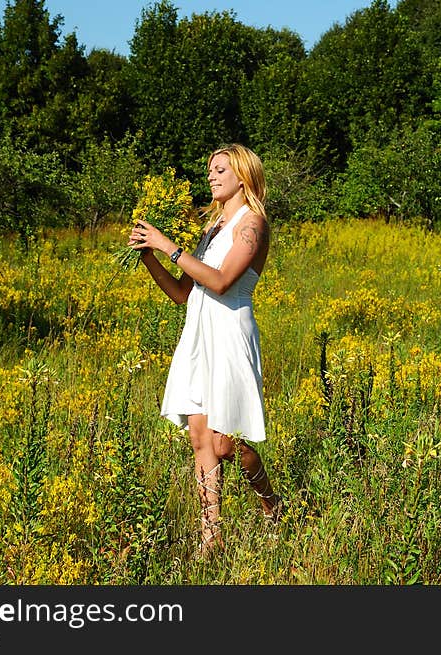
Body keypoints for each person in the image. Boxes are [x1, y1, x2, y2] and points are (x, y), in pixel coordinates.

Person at [128, 143, 282, 557]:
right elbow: (183, 292)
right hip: (198, 332)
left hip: (230, 333)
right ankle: (210, 539)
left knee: (227, 442)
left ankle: (273, 506)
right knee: (200, 437)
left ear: (243, 177)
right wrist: (149, 256)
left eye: (219, 170)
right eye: (210, 170)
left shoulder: (253, 224)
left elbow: (220, 282)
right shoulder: (210, 230)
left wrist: (166, 245)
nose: (211, 176)